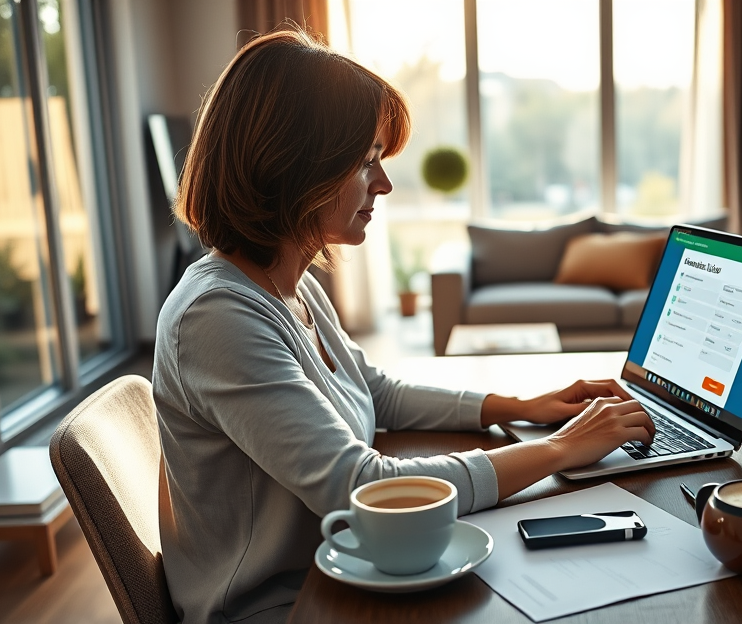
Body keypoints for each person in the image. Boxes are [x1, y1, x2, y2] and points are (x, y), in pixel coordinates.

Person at [152, 26, 655, 624]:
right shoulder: (217, 318)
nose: (384, 184)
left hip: (342, 566)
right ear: (293, 167)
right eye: (366, 163)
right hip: (282, 606)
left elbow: (376, 393)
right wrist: (562, 449)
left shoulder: (290, 282)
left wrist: (519, 405)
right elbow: (359, 487)